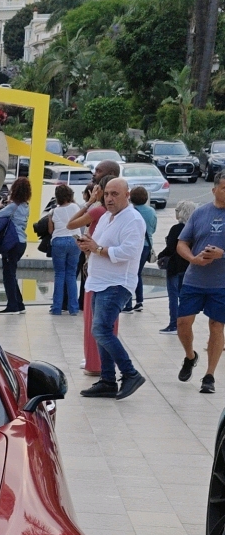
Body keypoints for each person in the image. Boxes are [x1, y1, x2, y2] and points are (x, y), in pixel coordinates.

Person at [75, 176, 146, 399]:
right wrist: (87, 245)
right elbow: (97, 243)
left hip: (117, 283)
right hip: (99, 281)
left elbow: (128, 252)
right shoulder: (107, 217)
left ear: (127, 195)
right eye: (106, 194)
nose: (109, 198)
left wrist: (96, 249)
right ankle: (107, 380)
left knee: (101, 330)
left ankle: (130, 373)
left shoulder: (133, 219)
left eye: (115, 194)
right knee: (100, 331)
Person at [69, 162, 121, 373]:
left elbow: (71, 224)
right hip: (99, 265)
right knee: (100, 319)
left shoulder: (100, 209)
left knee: (95, 319)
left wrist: (90, 201)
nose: (94, 175)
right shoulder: (108, 212)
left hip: (100, 269)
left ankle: (95, 362)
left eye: (98, 172)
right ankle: (97, 362)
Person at [176, 177, 225, 394]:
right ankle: (190, 356)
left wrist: (222, 253)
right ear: (214, 190)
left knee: (217, 325)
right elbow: (182, 242)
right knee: (183, 322)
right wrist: (193, 259)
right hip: (194, 279)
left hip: (221, 284)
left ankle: (210, 375)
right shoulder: (199, 213)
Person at [0, 175, 31, 312]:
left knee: (8, 275)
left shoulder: (12, 206)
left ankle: (12, 305)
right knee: (11, 273)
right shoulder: (26, 206)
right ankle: (19, 304)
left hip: (11, 243)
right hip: (21, 242)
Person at [47, 182, 80, 316]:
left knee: (59, 274)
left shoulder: (53, 211)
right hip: (74, 240)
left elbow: (50, 230)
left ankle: (56, 308)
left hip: (58, 241)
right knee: (71, 274)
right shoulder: (76, 207)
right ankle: (73, 308)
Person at [159, 205, 188, 333]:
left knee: (173, 296)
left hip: (174, 266)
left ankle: (173, 324)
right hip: (188, 266)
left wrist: (160, 256)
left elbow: (171, 247)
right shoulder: (193, 228)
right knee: (184, 297)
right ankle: (184, 324)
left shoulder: (176, 228)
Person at [127, 186, 157, 311]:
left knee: (130, 273)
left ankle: (128, 304)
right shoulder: (151, 211)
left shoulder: (130, 211)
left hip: (134, 245)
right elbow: (153, 229)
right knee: (138, 273)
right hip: (147, 245)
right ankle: (139, 301)